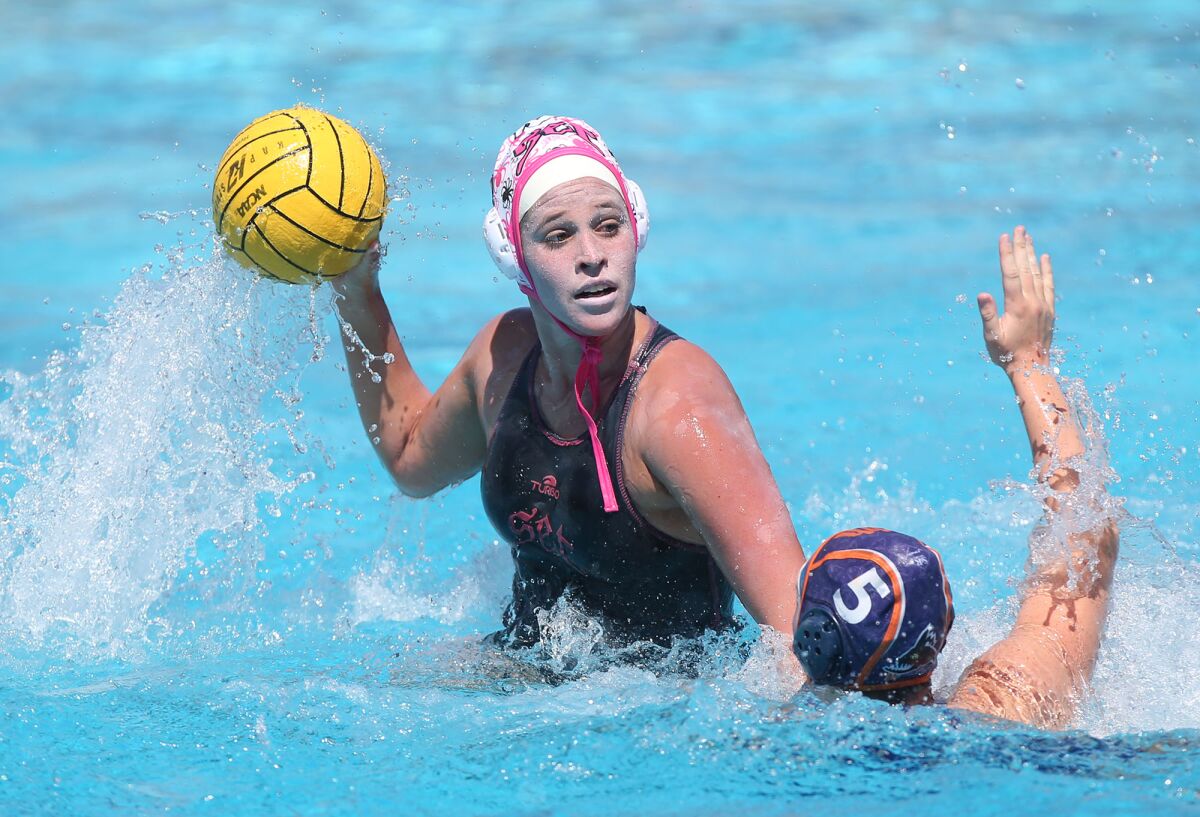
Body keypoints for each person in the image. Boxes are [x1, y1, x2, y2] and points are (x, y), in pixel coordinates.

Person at [331, 116, 806, 650]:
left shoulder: (679, 408)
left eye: (608, 225)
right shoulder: (503, 359)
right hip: (528, 683)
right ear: (514, 255)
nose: (591, 255)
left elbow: (794, 634)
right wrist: (355, 290)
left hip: (667, 705)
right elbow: (409, 460)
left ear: (636, 228)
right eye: (558, 235)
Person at [791, 226, 1120, 728]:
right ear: (938, 635)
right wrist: (1027, 362)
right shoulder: (1000, 704)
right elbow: (1088, 538)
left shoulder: (780, 729)